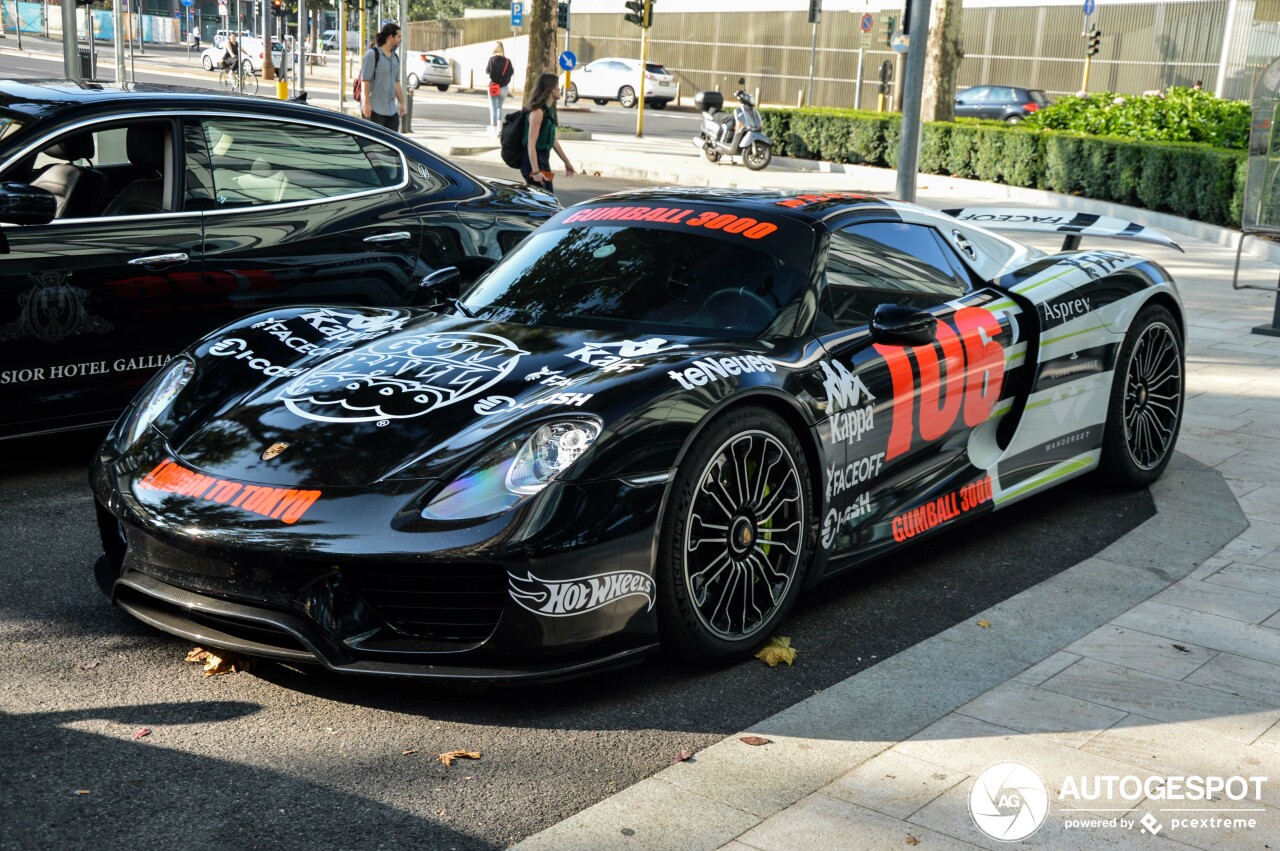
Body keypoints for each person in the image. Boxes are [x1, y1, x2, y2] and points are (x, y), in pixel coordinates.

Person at [521, 72, 575, 193]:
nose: (560, 89)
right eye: (557, 85)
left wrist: (567, 162)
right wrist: (535, 171)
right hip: (533, 162)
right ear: (550, 89)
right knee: (545, 201)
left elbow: (553, 140)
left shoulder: (548, 111)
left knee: (545, 201)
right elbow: (531, 144)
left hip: (542, 159)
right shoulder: (538, 112)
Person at [361, 23, 406, 132]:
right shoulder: (372, 55)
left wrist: (402, 103)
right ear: (391, 37)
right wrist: (366, 104)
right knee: (373, 145)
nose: (401, 40)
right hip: (375, 110)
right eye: (399, 36)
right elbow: (365, 81)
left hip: (391, 111)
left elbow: (396, 83)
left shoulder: (395, 58)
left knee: (391, 144)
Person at [486, 42, 514, 135]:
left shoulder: (491, 60)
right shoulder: (507, 61)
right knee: (499, 107)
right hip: (504, 88)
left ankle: (493, 128)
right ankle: (499, 129)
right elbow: (511, 72)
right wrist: (505, 81)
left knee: (493, 107)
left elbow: (487, 71)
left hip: (494, 87)